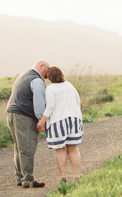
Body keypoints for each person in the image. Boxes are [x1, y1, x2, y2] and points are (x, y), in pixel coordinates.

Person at [6, 59, 50, 188]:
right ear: (42, 66)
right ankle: (28, 179)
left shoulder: (24, 75)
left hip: (12, 114)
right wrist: (40, 122)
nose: (49, 72)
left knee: (19, 147)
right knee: (28, 147)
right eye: (48, 68)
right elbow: (39, 104)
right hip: (23, 116)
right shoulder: (36, 80)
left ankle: (20, 177)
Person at [36, 66, 83, 183]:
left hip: (59, 122)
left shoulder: (50, 89)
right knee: (74, 149)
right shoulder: (70, 86)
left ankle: (63, 177)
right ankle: (77, 176)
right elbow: (78, 102)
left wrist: (40, 123)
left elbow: (50, 107)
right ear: (62, 75)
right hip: (75, 120)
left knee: (60, 150)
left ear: (49, 78)